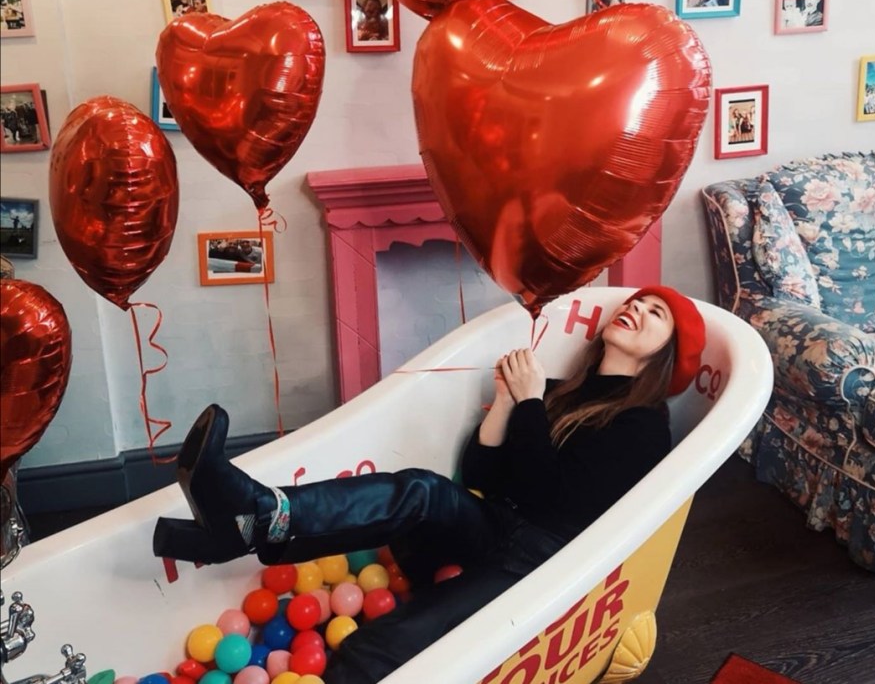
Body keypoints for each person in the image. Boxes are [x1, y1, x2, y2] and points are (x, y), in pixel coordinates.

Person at [153, 287, 705, 684]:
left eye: (655, 313)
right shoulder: (561, 390)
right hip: (497, 529)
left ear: (666, 355)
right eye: (637, 302)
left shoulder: (643, 425)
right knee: (422, 489)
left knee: (372, 650)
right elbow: (485, 475)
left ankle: (241, 529)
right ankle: (257, 518)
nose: (636, 308)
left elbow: (552, 500)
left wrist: (529, 403)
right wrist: (508, 404)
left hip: (542, 568)